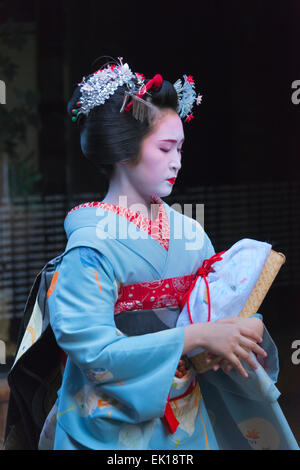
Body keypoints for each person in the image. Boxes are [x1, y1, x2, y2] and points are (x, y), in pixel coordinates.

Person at [34, 57, 299, 450]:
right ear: (124, 150)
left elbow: (212, 309)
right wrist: (196, 336)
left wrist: (242, 327)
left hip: (187, 414)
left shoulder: (189, 233)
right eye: (165, 147)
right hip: (107, 422)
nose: (177, 160)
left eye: (180, 147)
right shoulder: (90, 246)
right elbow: (95, 353)